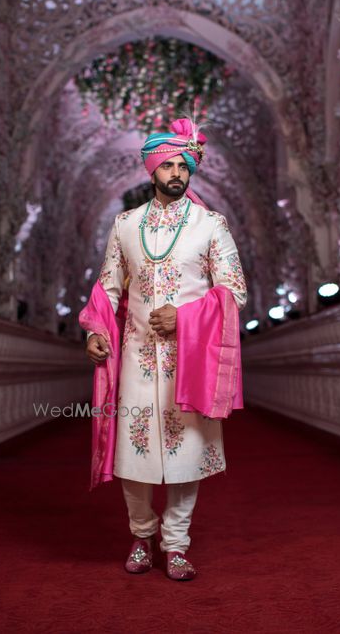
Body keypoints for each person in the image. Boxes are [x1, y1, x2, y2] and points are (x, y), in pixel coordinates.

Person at [85, 118, 247, 580]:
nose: (176, 172)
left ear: (191, 170)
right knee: (133, 455)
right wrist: (96, 331)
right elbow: (107, 288)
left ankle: (176, 545)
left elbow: (234, 291)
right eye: (167, 165)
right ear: (150, 171)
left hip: (190, 361)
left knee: (186, 454)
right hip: (135, 359)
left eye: (183, 165)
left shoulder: (211, 226)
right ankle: (141, 536)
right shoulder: (125, 225)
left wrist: (186, 317)